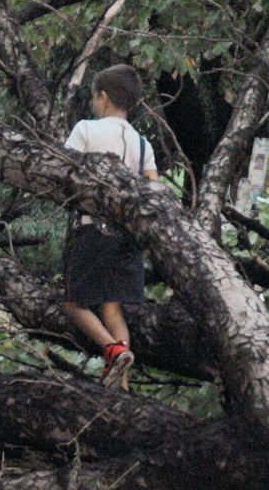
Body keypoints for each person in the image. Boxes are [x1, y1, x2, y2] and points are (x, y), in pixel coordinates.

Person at [62, 65, 159, 391]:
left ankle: (112, 350)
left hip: (92, 231)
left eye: (94, 97)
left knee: (74, 304)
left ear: (102, 97)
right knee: (112, 307)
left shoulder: (85, 130)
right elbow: (154, 191)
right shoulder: (143, 144)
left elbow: (62, 171)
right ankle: (123, 386)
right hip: (127, 238)